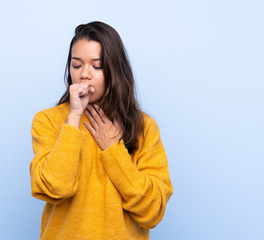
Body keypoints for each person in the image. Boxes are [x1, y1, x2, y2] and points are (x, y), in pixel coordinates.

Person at [30, 21, 173, 240]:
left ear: (114, 69)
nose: (84, 74)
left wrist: (114, 151)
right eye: (77, 65)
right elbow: (55, 188)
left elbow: (152, 212)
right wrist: (74, 118)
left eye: (97, 66)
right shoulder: (48, 121)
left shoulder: (144, 128)